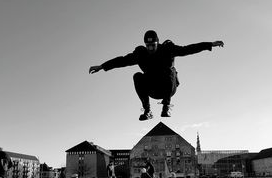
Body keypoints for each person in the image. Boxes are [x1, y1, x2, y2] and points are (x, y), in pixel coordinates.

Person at [89, 30, 224, 120]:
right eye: (148, 46)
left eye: (153, 46)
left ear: (157, 43)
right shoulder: (141, 53)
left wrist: (209, 44)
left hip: (168, 87)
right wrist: (102, 66)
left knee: (170, 70)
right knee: (137, 76)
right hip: (153, 89)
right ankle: (147, 111)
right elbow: (122, 60)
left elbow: (188, 49)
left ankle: (167, 107)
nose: (150, 49)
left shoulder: (167, 49)